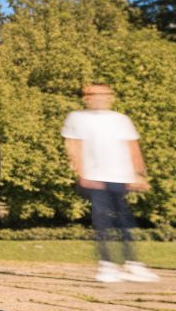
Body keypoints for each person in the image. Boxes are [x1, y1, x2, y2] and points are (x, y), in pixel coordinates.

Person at [62, 84, 159, 283]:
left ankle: (132, 264)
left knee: (125, 221)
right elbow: (73, 146)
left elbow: (133, 147)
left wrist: (139, 174)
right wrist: (81, 173)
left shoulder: (121, 120)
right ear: (86, 97)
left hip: (120, 176)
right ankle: (107, 265)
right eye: (95, 95)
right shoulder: (77, 118)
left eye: (104, 95)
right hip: (95, 176)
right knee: (103, 221)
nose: (100, 98)